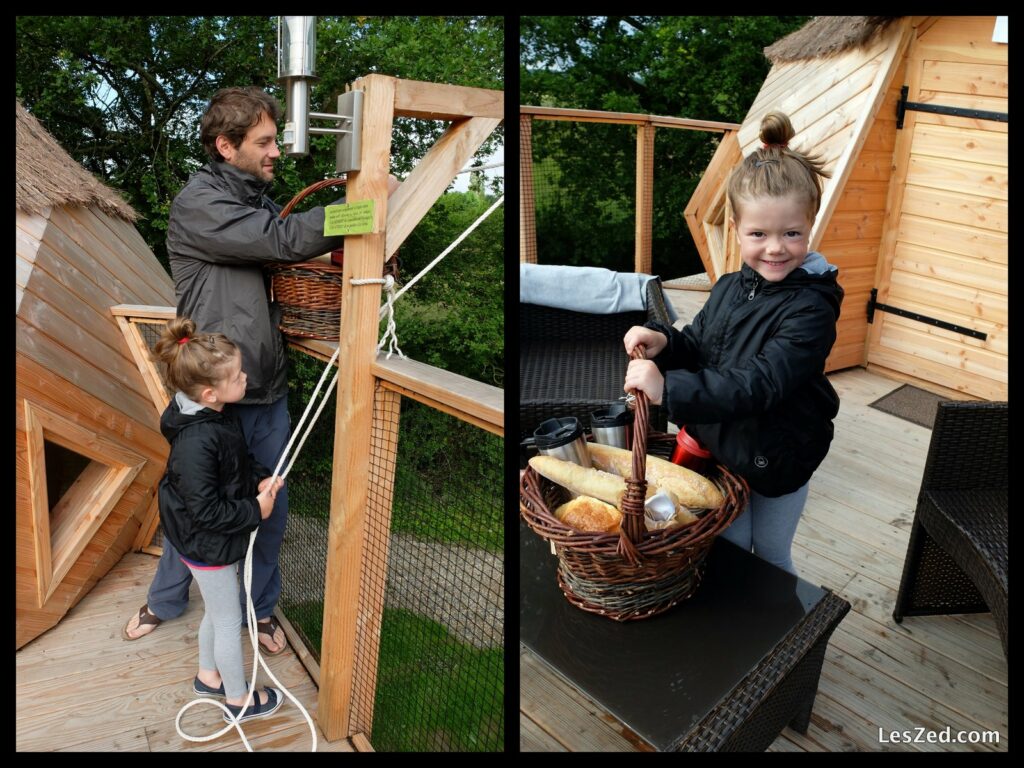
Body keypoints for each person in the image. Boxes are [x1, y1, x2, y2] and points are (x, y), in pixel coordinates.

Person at [123, 86, 350, 654]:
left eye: (276, 139)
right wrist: (368, 204)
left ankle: (260, 610)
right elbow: (282, 240)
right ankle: (167, 599)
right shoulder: (201, 203)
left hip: (264, 388)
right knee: (193, 504)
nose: (277, 151)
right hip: (210, 395)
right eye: (265, 141)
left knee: (269, 505)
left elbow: (291, 248)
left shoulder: (257, 200)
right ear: (226, 146)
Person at [623, 110, 843, 575]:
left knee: (771, 554)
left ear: (811, 225)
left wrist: (670, 391)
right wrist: (664, 343)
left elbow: (760, 383)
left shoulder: (812, 307)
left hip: (780, 455)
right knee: (730, 548)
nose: (776, 248)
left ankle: (783, 629)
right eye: (758, 234)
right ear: (737, 230)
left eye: (792, 233)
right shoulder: (728, 286)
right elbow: (701, 344)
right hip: (727, 448)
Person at [152, 317, 284, 722]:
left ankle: (208, 676)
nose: (245, 378)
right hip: (207, 544)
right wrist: (254, 510)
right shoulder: (195, 440)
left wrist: (259, 474)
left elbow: (234, 462)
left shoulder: (211, 415)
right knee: (229, 621)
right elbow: (206, 509)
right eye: (238, 375)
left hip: (207, 542)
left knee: (216, 609)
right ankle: (238, 701)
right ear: (210, 392)